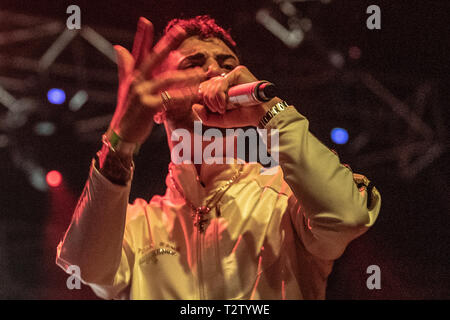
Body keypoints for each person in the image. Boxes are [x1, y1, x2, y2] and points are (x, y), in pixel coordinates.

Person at [56, 15, 381, 300]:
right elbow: (87, 265)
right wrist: (119, 142)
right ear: (157, 99)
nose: (214, 71)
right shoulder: (138, 225)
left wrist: (272, 111)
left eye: (227, 65)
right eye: (193, 63)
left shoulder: (287, 198)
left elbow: (348, 216)